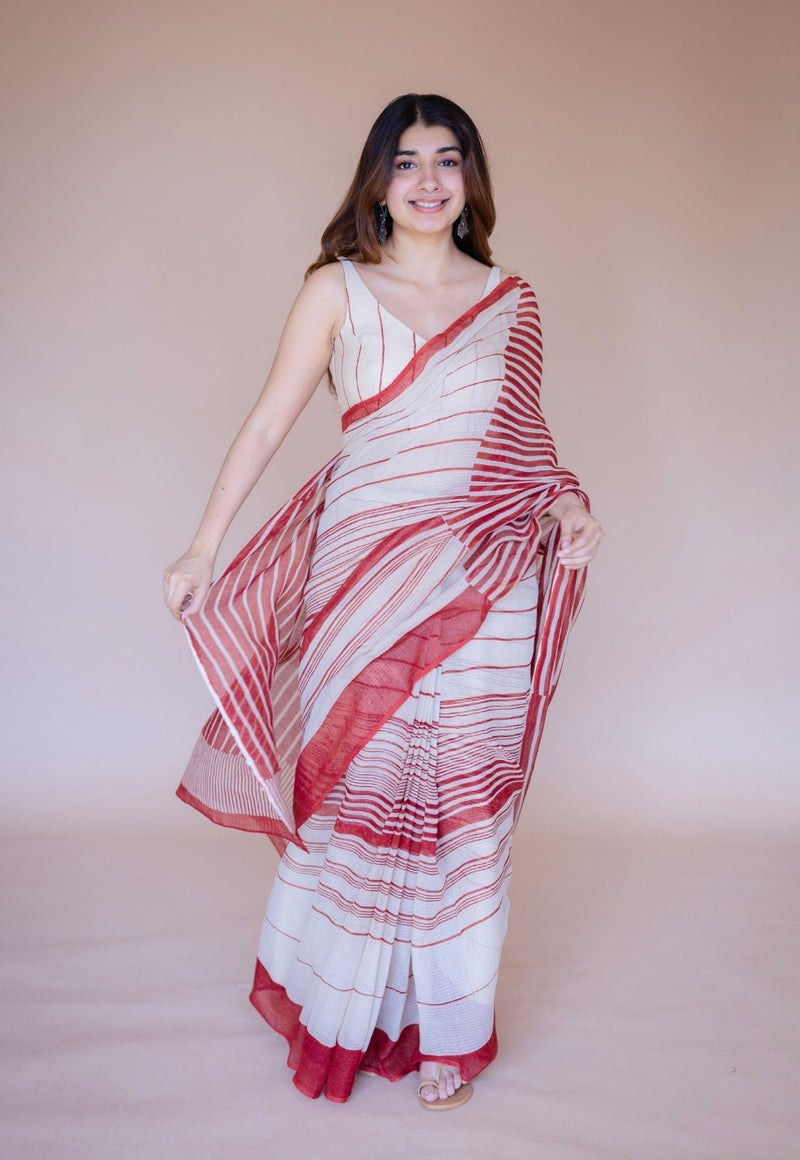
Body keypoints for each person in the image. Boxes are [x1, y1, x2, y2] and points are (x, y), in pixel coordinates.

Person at [163, 93, 603, 1110]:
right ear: (378, 179)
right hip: (362, 578)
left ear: (470, 178)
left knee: (463, 801)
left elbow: (526, 444)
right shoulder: (336, 289)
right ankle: (339, 1012)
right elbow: (267, 423)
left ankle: (447, 1030)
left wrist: (568, 503)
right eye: (406, 162)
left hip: (486, 577)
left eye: (447, 160)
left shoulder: (511, 299)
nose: (427, 180)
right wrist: (203, 542)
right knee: (361, 789)